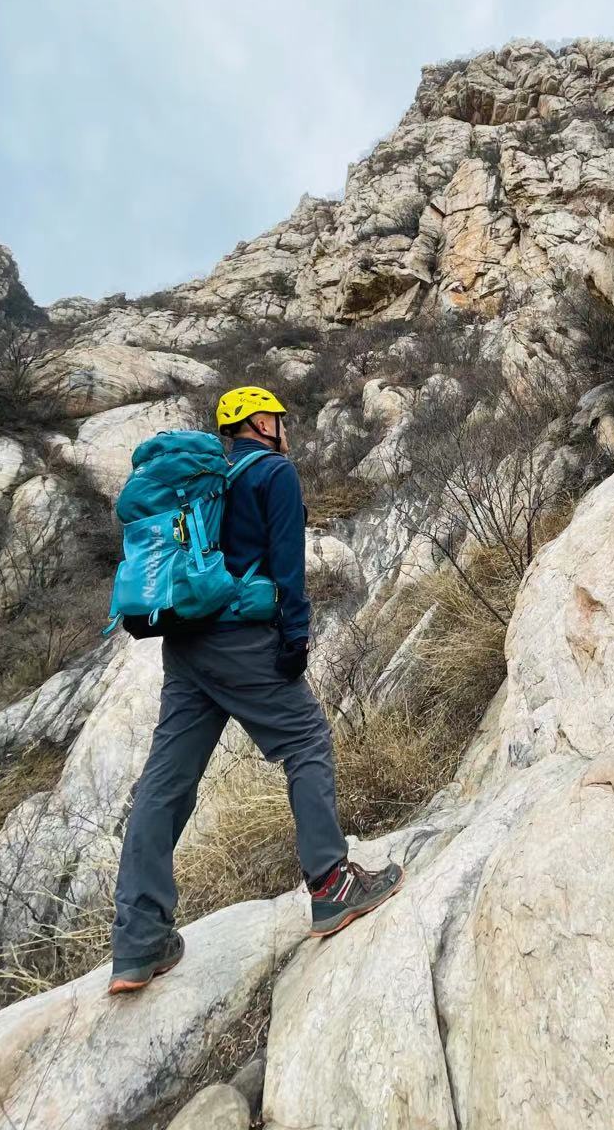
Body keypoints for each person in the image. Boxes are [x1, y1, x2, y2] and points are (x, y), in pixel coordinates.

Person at [107, 385, 404, 995]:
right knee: (306, 740)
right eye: (279, 418)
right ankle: (331, 885)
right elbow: (287, 564)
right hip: (243, 641)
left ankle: (139, 943)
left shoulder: (209, 481)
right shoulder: (273, 473)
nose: (284, 426)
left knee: (166, 783)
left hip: (185, 649)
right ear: (263, 422)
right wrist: (296, 635)